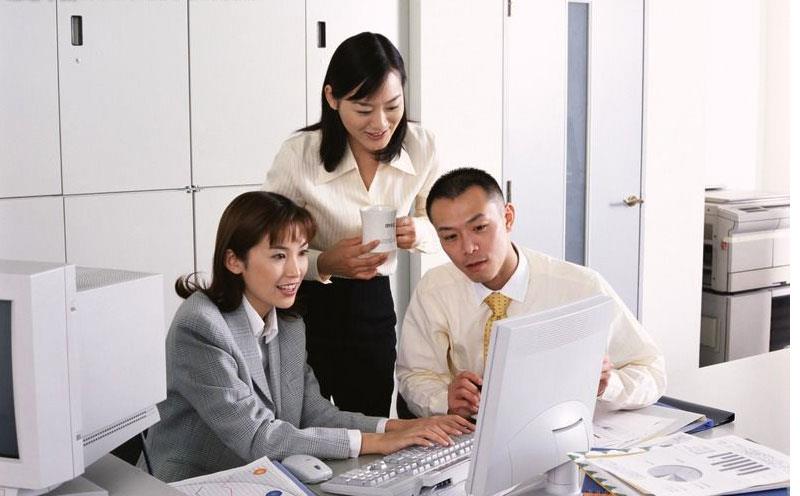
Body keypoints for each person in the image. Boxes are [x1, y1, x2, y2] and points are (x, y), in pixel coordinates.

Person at [145, 191, 473, 482]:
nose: (296, 270)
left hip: (264, 476)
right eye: (278, 256)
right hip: (195, 482)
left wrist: (398, 427)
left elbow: (314, 413)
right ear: (234, 261)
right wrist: (379, 442)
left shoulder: (288, 322)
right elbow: (257, 436)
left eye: (301, 253)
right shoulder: (200, 326)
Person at [396, 168, 667, 418]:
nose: (468, 248)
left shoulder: (581, 287)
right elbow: (414, 376)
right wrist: (444, 399)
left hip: (559, 430)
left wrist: (608, 385)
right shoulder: (434, 290)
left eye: (479, 228)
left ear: (508, 218)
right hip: (468, 436)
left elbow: (652, 371)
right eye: (450, 237)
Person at [264, 32, 440, 417]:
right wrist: (325, 262)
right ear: (332, 98)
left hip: (371, 301)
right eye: (363, 109)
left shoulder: (421, 145)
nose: (380, 123)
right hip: (303, 300)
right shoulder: (300, 154)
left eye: (392, 106)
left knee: (369, 419)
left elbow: (437, 220)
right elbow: (266, 242)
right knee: (300, 420)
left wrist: (418, 231)